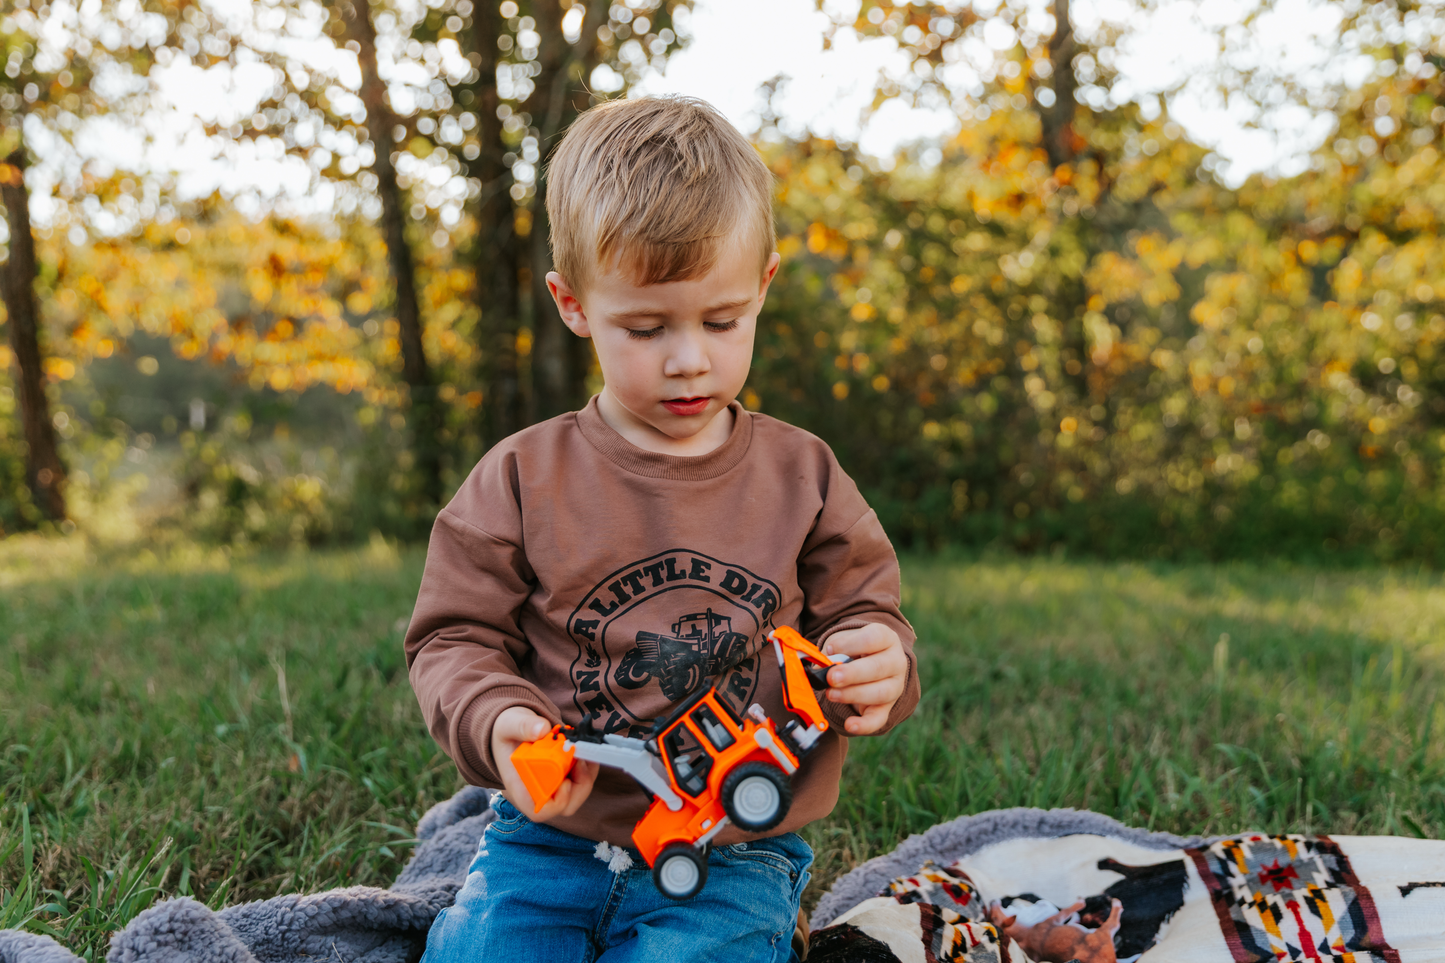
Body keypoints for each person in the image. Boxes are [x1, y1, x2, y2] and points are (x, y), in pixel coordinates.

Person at [405, 95, 919, 963]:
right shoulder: (523, 478)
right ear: (573, 305)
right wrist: (496, 717)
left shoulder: (803, 476)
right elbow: (453, 635)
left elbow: (864, 612)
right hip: (551, 836)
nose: (689, 357)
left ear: (762, 286)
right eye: (644, 328)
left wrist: (878, 656)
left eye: (721, 321)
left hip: (731, 848)